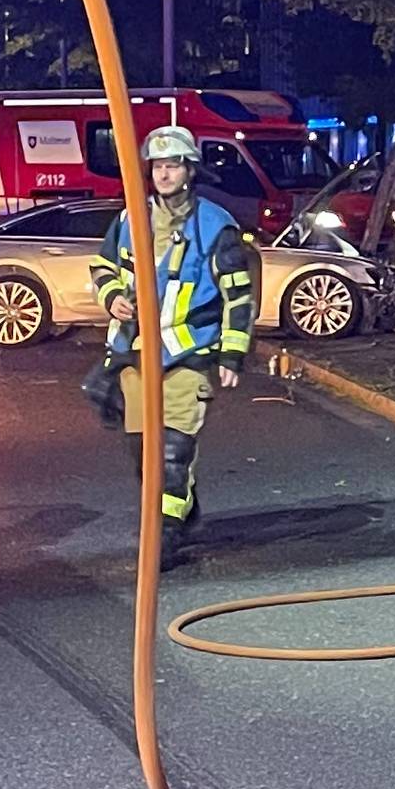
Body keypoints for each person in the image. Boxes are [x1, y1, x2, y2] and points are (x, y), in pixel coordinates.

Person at [90, 126, 258, 561]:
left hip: (190, 355)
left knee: (172, 450)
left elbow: (238, 294)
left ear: (190, 170)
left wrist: (233, 354)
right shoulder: (130, 220)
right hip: (134, 354)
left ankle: (163, 537)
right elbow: (103, 267)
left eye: (173, 165)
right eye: (158, 166)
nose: (164, 174)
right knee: (144, 452)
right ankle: (182, 503)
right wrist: (111, 297)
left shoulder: (215, 225)